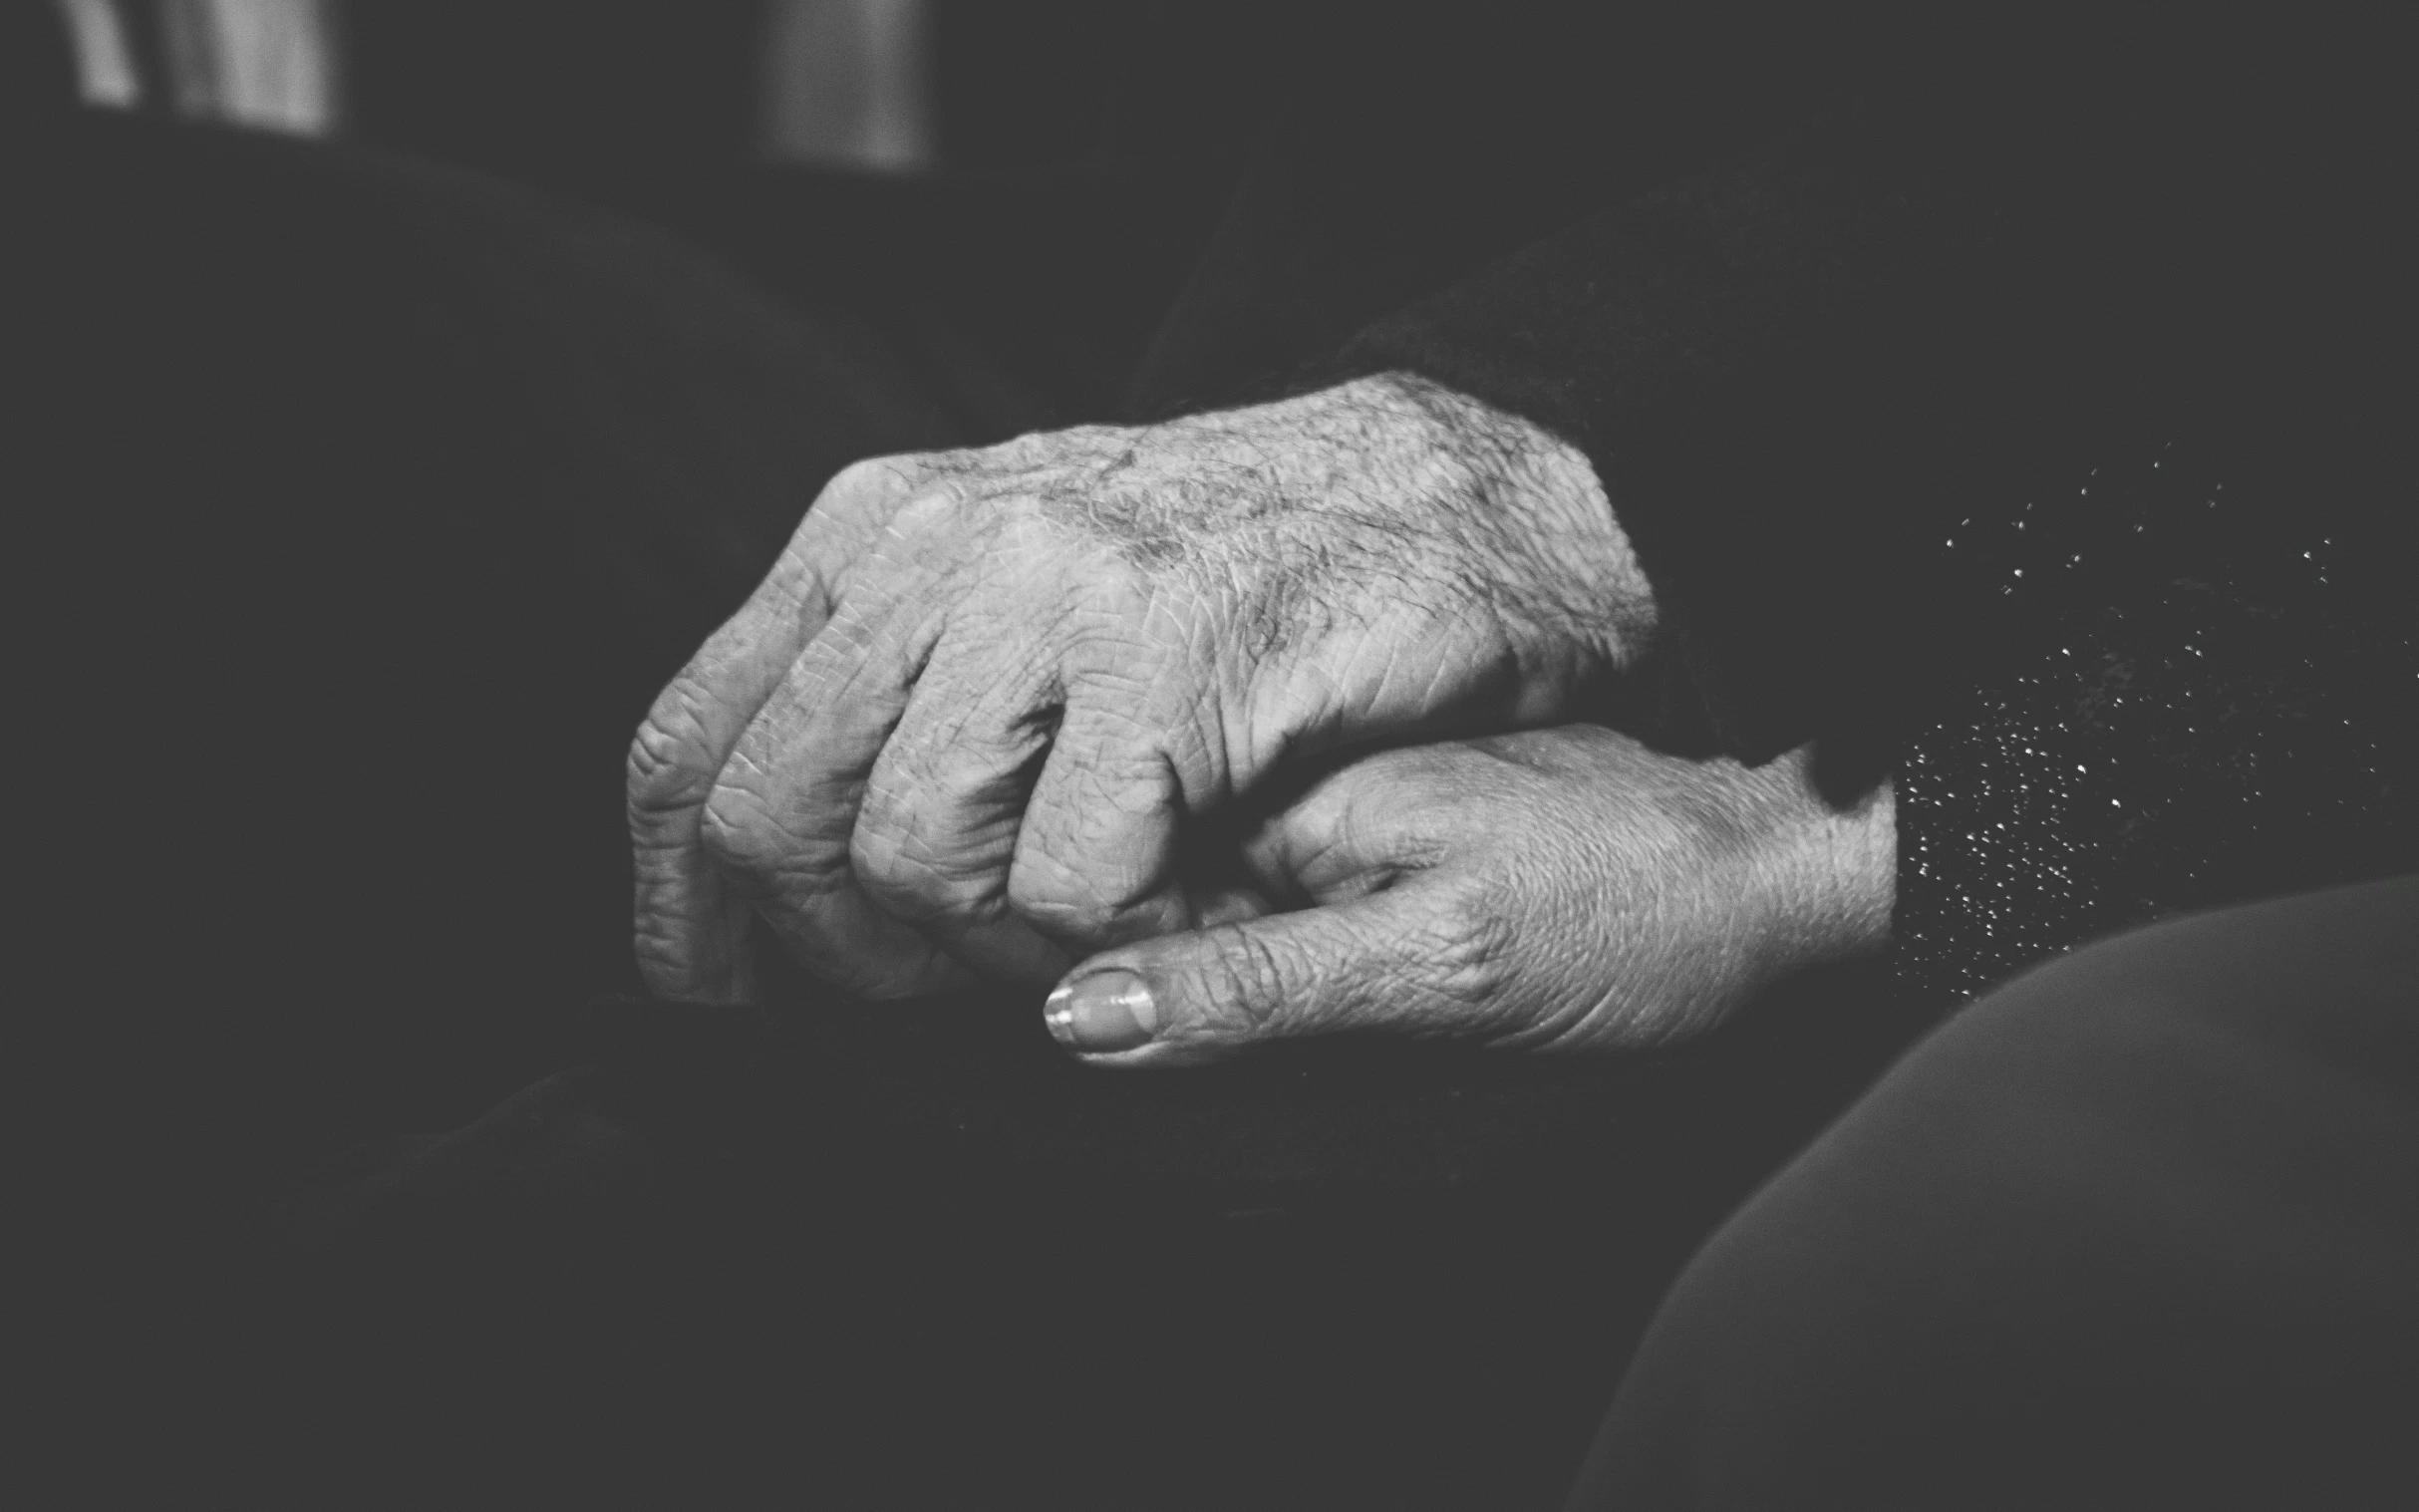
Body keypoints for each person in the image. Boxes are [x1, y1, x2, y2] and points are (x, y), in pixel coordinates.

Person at [7, 2, 2412, 1506]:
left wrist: (1842, 790)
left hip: (1988, 622)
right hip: (1279, 324)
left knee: (572, 1279)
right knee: (128, 295)